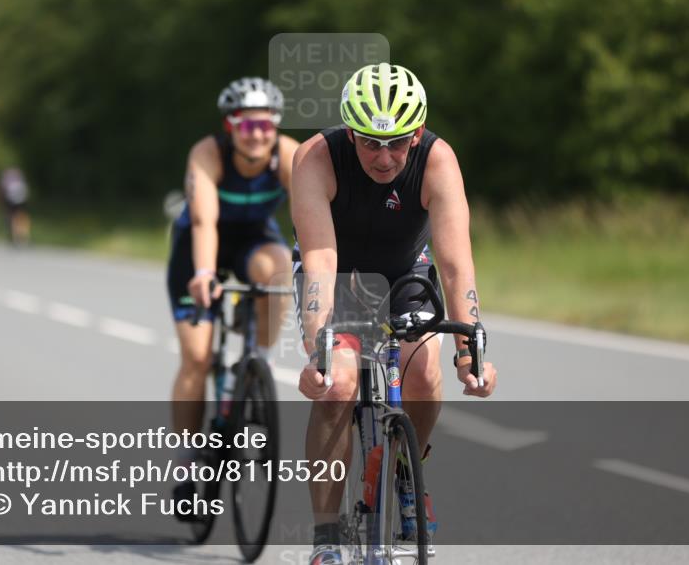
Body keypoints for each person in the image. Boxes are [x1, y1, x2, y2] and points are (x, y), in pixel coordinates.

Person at [290, 63, 498, 564]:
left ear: (418, 134)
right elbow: (319, 259)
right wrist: (319, 347)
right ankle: (326, 540)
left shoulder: (437, 161)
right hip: (338, 276)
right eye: (369, 143)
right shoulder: (315, 157)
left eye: (398, 143)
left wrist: (472, 348)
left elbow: (454, 262)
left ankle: (406, 473)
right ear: (350, 133)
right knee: (338, 384)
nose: (384, 157)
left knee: (424, 367)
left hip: (408, 272)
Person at [167, 77, 298, 508]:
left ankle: (255, 358)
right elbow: (204, 220)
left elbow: (311, 214)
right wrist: (204, 272)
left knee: (275, 268)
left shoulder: (288, 156)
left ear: (276, 126)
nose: (258, 134)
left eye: (266, 125)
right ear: (231, 127)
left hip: (254, 240)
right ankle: (187, 459)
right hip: (199, 247)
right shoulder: (208, 154)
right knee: (198, 357)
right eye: (247, 126)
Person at [0, 167, 31, 245]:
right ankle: (23, 235)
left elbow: (2, 191)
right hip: (22, 200)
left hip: (11, 201)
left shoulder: (6, 178)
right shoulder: (20, 177)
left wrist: (2, 202)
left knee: (11, 216)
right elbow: (25, 191)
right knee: (21, 217)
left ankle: (14, 235)